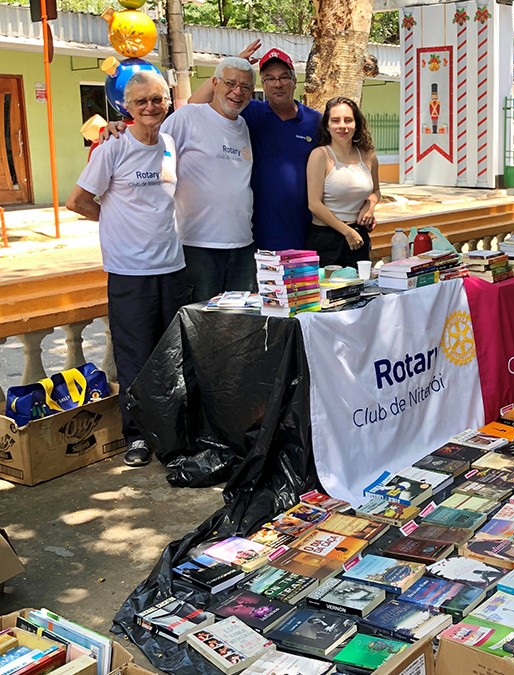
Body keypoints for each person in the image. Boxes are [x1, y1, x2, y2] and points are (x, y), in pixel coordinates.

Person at [66, 70, 188, 468]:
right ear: (127, 108)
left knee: (170, 355)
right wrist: (115, 221)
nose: (150, 107)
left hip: (172, 265)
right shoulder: (113, 147)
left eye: (157, 99)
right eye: (141, 102)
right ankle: (136, 436)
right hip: (129, 271)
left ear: (167, 102)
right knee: (134, 356)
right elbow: (78, 200)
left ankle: (170, 435)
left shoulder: (169, 142)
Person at [190, 41, 322, 251]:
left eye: (283, 77)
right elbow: (195, 104)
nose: (277, 84)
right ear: (262, 84)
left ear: (294, 81)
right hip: (258, 227)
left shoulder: (315, 121)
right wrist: (235, 63)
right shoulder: (250, 112)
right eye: (269, 78)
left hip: (305, 226)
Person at [159, 57, 256, 302]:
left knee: (239, 325)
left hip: (242, 245)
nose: (237, 91)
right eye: (231, 83)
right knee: (202, 325)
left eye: (245, 86)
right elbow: (151, 149)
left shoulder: (244, 125)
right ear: (214, 83)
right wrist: (117, 129)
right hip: (198, 244)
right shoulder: (188, 117)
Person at [306, 96, 381, 268]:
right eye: (335, 120)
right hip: (327, 239)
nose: (342, 126)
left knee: (361, 292)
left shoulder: (368, 156)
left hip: (358, 236)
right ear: (327, 125)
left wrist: (369, 206)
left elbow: (376, 191)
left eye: (348, 120)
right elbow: (314, 204)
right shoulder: (320, 156)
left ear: (356, 124)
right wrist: (346, 231)